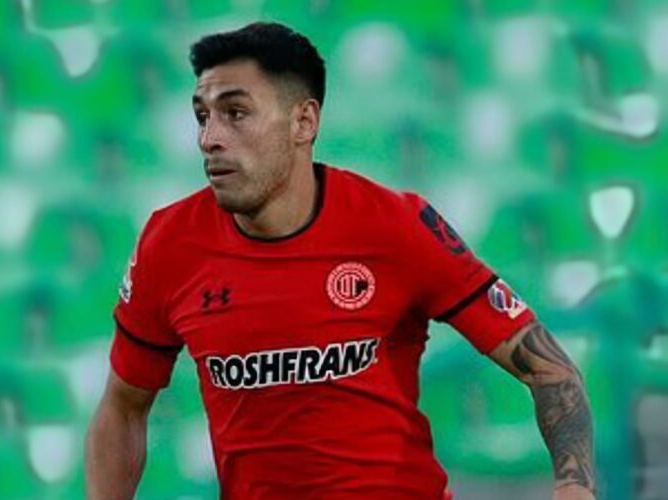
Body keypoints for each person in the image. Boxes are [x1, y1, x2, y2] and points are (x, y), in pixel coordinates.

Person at [85, 22, 595, 500]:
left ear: (303, 121)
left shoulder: (396, 226)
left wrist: (575, 490)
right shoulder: (170, 243)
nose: (209, 138)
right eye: (202, 115)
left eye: (235, 113)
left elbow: (550, 371)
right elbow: (123, 407)